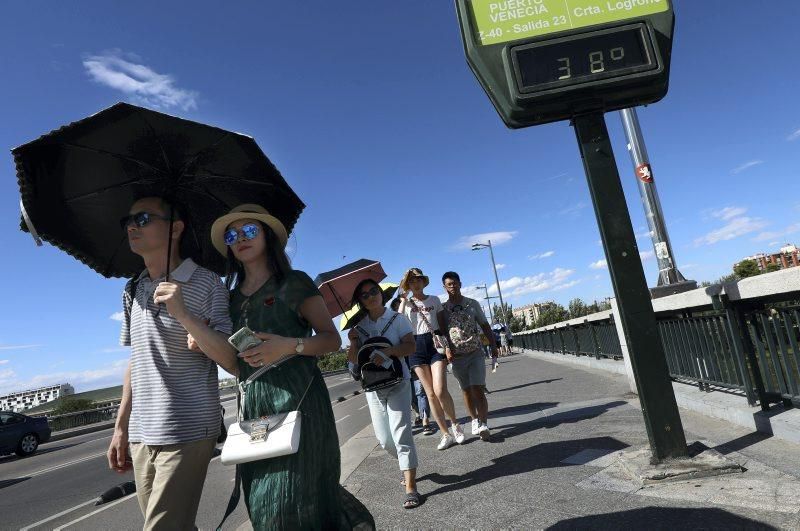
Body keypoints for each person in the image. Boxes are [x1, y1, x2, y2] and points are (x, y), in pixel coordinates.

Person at [203, 204, 369, 529]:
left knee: (296, 499)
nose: (240, 238)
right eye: (231, 234)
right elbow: (236, 365)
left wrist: (288, 346)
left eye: (249, 230)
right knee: (264, 507)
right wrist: (204, 338)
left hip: (302, 403)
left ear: (267, 235)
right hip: (255, 408)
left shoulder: (294, 283)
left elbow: (330, 340)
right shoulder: (229, 298)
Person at [108, 196, 235, 530]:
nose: (132, 226)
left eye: (144, 218)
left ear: (176, 228)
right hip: (141, 432)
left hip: (188, 427)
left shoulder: (207, 282)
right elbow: (138, 359)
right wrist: (121, 426)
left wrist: (183, 314)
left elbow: (230, 358)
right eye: (129, 221)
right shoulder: (132, 288)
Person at [347, 279, 421, 509]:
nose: (370, 296)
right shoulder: (359, 328)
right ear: (360, 302)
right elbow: (352, 363)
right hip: (373, 387)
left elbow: (411, 347)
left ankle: (411, 487)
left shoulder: (397, 319)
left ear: (381, 293)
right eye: (365, 295)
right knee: (385, 440)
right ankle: (406, 465)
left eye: (373, 291)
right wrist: (352, 343)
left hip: (399, 381)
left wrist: (389, 351)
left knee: (401, 434)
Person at [398, 268, 464, 450]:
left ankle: (455, 425)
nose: (416, 283)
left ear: (424, 281)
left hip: (435, 343)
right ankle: (445, 434)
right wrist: (403, 300)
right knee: (430, 394)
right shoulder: (406, 304)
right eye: (412, 281)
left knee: (440, 389)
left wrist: (449, 346)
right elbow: (397, 320)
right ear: (408, 285)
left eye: (418, 279)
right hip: (416, 346)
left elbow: (443, 325)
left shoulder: (434, 300)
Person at [441, 271, 500, 441]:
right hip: (457, 357)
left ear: (460, 283)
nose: (453, 286)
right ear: (444, 287)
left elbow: (485, 324)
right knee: (466, 390)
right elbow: (443, 333)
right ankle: (474, 420)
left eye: (455, 283)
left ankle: (483, 423)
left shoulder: (472, 304)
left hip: (475, 353)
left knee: (478, 389)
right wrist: (446, 349)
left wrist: (494, 346)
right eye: (449, 284)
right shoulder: (443, 309)